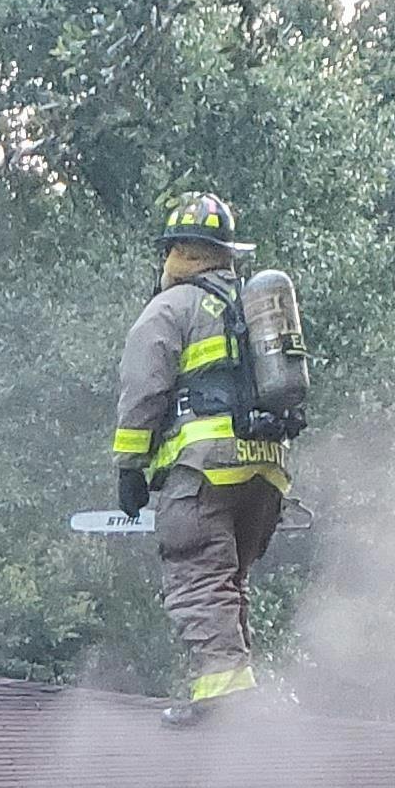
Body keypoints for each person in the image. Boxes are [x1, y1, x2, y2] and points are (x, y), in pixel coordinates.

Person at [113, 192, 293, 719]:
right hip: (266, 469)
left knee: (197, 576)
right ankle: (234, 689)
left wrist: (130, 468)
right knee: (228, 580)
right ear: (226, 253)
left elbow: (143, 390)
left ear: (177, 253)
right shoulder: (252, 307)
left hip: (204, 470)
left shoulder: (170, 308)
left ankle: (224, 698)